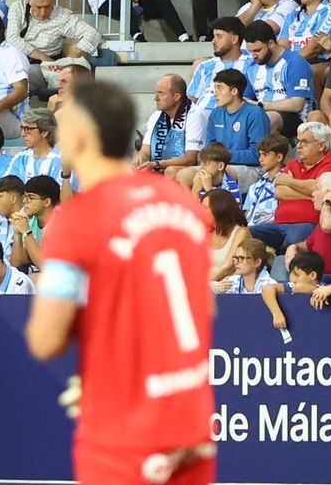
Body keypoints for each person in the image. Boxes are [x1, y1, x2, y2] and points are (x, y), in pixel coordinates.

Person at [26, 80, 214, 485]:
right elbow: (205, 305)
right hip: (190, 415)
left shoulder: (78, 219)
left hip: (125, 424)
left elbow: (45, 339)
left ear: (80, 137)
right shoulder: (181, 202)